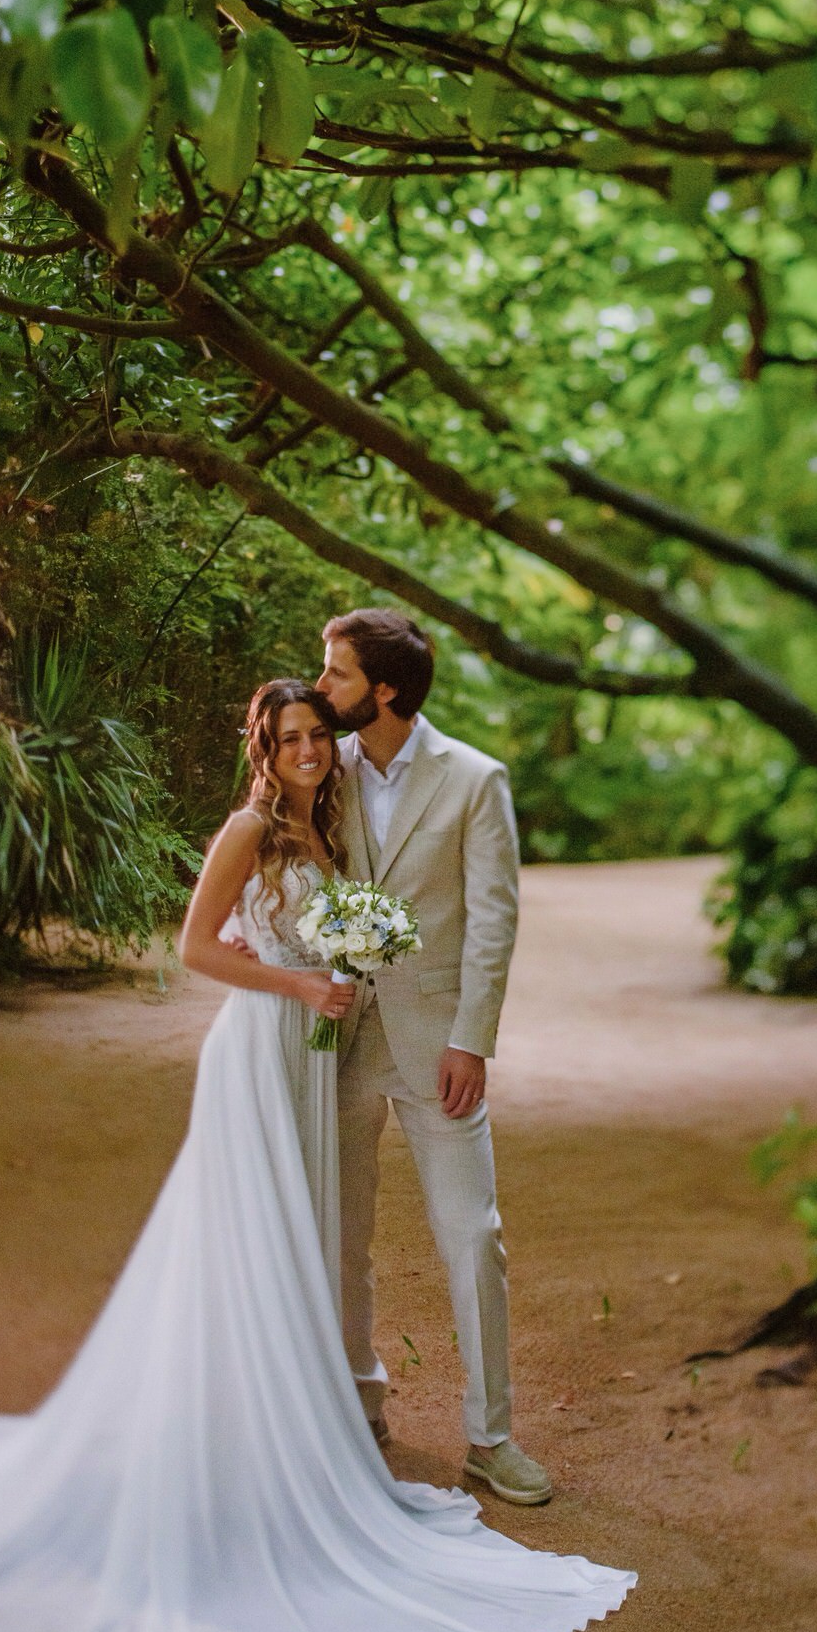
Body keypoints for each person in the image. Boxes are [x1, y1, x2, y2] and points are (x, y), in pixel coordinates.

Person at [0, 679, 632, 1632]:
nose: (311, 750)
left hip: (319, 1060)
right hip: (261, 1056)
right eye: (291, 738)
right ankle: (239, 1456)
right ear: (262, 748)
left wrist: (351, 971)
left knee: (305, 1247)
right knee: (252, 1241)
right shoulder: (248, 826)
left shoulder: (330, 826)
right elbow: (194, 950)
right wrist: (307, 983)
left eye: (320, 734)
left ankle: (298, 1434)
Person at [316, 609, 550, 1508]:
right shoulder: (318, 765)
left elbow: (494, 918)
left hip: (437, 1048)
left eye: (337, 674)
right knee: (342, 1239)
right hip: (335, 1037)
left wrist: (472, 1040)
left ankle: (491, 1438)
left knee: (473, 1239)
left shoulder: (475, 780)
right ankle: (359, 1404)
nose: (322, 686)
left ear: (385, 690)